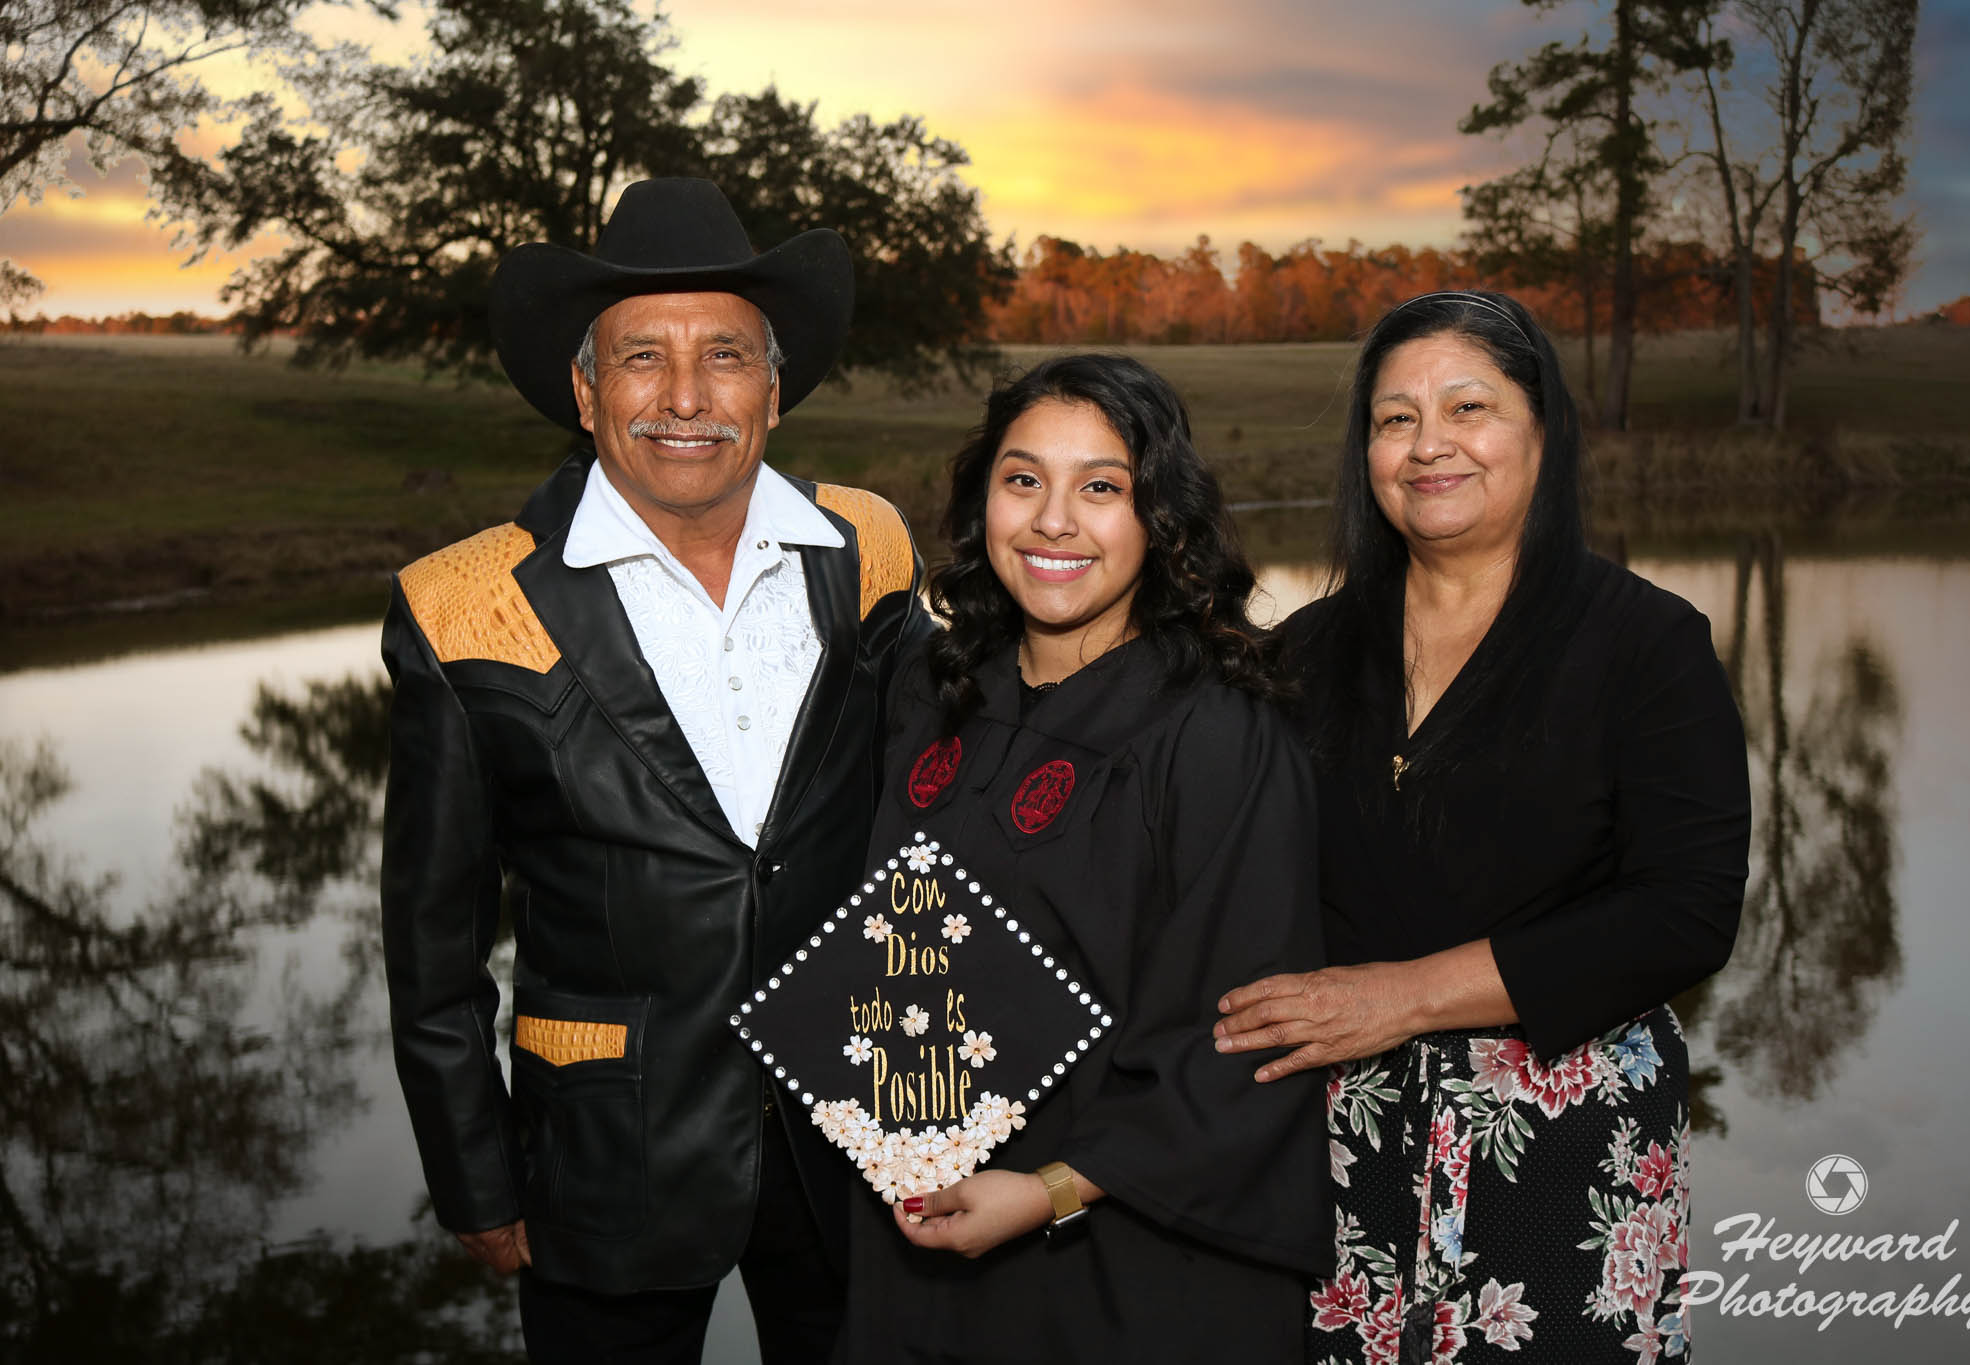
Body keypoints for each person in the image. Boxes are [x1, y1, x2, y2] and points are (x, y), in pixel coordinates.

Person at [379, 177, 930, 1364]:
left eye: (725, 355)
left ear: (773, 390)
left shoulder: (868, 549)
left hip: (856, 1133)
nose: (686, 398)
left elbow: (947, 797)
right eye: (641, 359)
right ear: (585, 392)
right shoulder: (460, 603)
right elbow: (432, 951)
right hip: (599, 1157)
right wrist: (473, 1175)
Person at [1213, 291, 1750, 1362]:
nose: (1428, 446)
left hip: (1560, 1156)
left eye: (1468, 407)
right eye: (1393, 418)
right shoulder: (1298, 657)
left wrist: (1403, 996)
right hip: (1332, 1153)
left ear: (1541, 429)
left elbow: (1684, 915)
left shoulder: (1645, 644)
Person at [839, 354, 1330, 1363]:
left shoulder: (1215, 736)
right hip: (924, 1232)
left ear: (1160, 516)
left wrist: (1051, 1188)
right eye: (1023, 480)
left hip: (1129, 1265)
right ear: (982, 503)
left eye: (1099, 488)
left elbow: (1243, 1040)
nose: (1053, 520)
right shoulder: (934, 699)